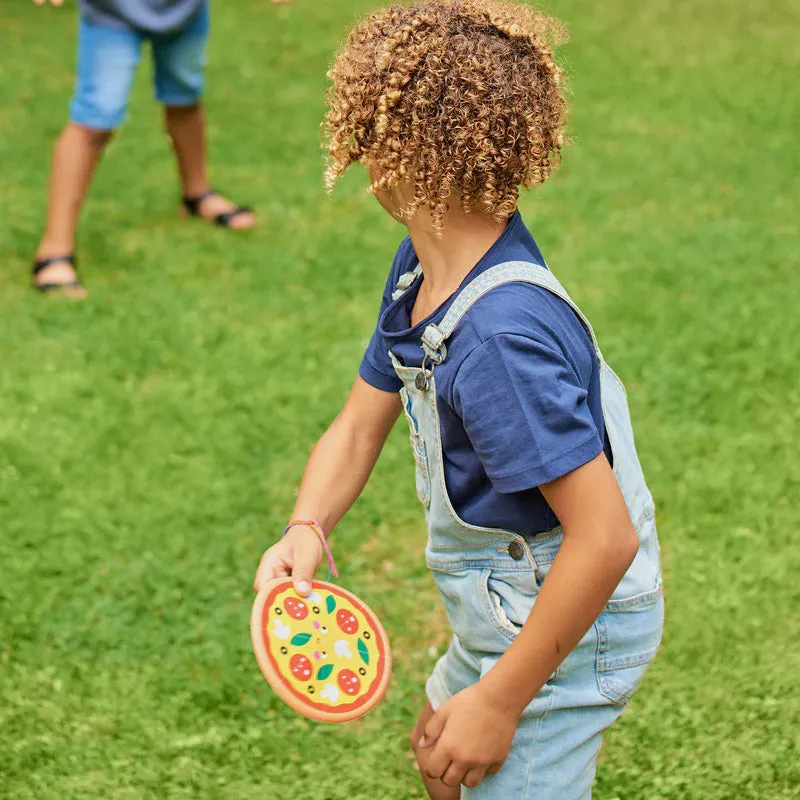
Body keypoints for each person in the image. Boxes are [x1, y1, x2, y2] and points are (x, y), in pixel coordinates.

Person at [253, 2, 664, 798]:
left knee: (476, 748)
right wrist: (308, 525)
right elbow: (357, 421)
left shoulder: (498, 342)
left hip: (573, 616)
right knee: (443, 756)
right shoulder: (421, 272)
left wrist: (502, 700)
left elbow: (604, 539)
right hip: (508, 601)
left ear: (394, 155)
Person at [31, 0, 264, 297]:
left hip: (183, 11)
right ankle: (55, 248)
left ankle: (197, 194)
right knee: (95, 117)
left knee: (185, 96)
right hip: (112, 13)